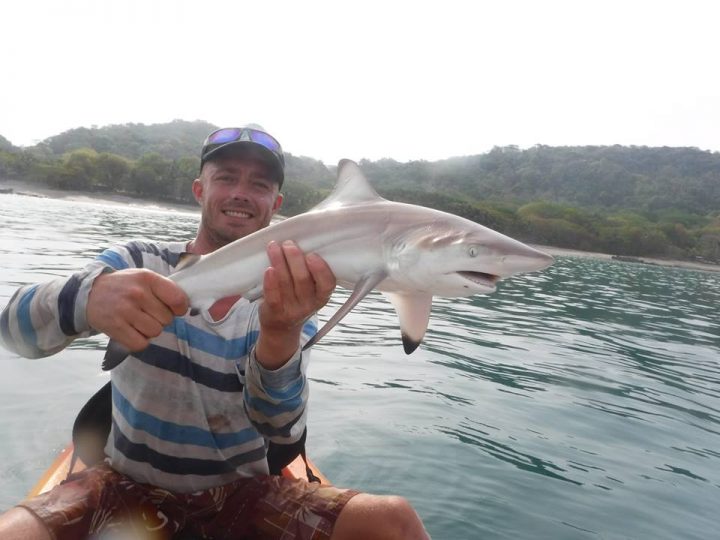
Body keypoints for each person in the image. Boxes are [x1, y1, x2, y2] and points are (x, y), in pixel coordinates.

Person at [0, 125, 429, 540]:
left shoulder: (290, 290)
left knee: (395, 522)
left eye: (259, 184)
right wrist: (88, 300)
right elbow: (13, 332)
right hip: (124, 482)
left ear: (274, 203)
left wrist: (280, 332)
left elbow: (280, 429)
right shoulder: (138, 261)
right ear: (200, 190)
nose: (241, 192)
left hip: (245, 495)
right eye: (226, 178)